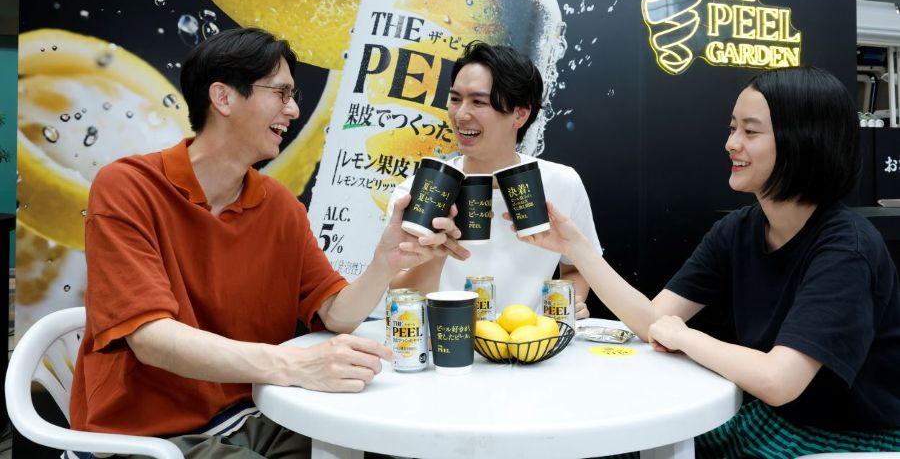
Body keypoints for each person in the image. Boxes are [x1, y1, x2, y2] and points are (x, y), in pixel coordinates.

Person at [69, 27, 461, 458]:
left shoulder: (279, 205)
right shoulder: (127, 187)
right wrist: (294, 365)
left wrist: (385, 263)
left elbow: (335, 313)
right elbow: (151, 339)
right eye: (280, 93)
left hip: (252, 413)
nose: (293, 110)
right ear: (223, 98)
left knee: (379, 446)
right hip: (144, 438)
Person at [515, 66, 900, 456]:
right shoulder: (738, 229)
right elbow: (653, 321)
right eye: (733, 129)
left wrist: (685, 337)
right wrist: (577, 248)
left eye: (750, 132)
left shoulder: (846, 249)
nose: (732, 144)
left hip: (845, 437)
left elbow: (779, 380)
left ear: (804, 141)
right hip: (766, 416)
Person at [389, 41, 601, 316]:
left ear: (520, 114)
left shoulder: (562, 183)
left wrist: (571, 302)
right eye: (455, 99)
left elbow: (576, 268)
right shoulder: (419, 191)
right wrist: (436, 252)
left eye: (478, 102)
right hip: (446, 338)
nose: (460, 115)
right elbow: (401, 296)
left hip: (530, 339)